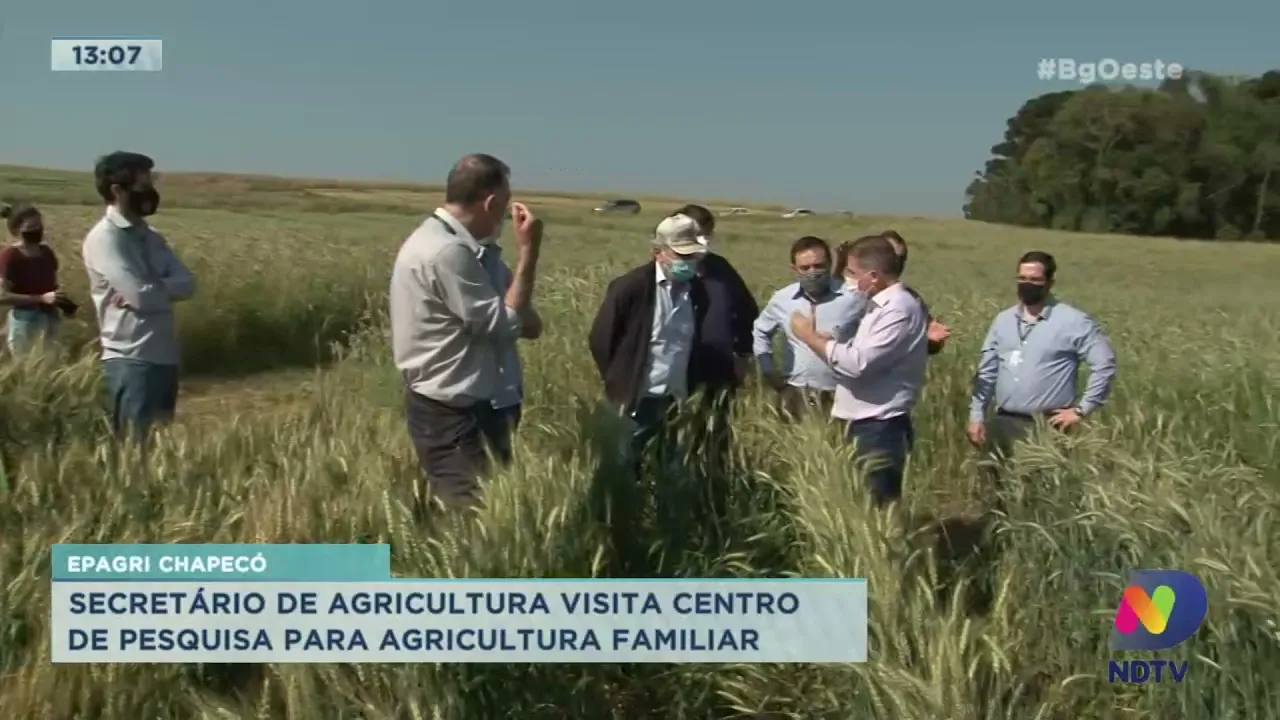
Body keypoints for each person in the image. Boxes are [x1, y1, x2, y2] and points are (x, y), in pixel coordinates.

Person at [390, 153, 543, 511]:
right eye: (504, 206)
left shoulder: (476, 252)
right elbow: (505, 324)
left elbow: (528, 323)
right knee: (471, 514)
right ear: (490, 202)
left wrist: (515, 315)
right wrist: (530, 251)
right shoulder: (446, 252)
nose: (506, 217)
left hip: (485, 405)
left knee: (491, 508)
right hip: (454, 413)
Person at [789, 235, 929, 506]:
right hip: (862, 422)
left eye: (852, 273)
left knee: (876, 508)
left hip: (879, 426)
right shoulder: (878, 306)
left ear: (873, 276)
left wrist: (810, 337)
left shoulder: (898, 309)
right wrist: (830, 340)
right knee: (857, 503)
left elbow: (857, 364)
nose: (847, 279)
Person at [82, 152, 196, 440]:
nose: (149, 193)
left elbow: (188, 284)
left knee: (158, 449)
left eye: (150, 183)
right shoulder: (105, 239)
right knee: (133, 452)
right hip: (130, 359)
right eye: (141, 185)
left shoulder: (152, 236)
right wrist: (155, 288)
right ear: (117, 190)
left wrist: (151, 286)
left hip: (165, 357)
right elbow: (140, 297)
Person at [966, 250, 1117, 466]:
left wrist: (1081, 410)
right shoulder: (1003, 320)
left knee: (1038, 492)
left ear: (1049, 282)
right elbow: (987, 371)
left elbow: (1104, 364)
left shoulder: (1074, 322)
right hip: (1002, 422)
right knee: (994, 490)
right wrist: (976, 416)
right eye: (1022, 278)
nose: (1027, 284)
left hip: (1047, 427)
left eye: (1035, 279)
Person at [752, 236, 868, 420]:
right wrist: (768, 370)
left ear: (830, 265)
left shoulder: (853, 298)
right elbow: (760, 331)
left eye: (819, 266)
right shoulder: (783, 299)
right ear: (794, 270)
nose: (813, 272)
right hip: (795, 392)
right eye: (805, 268)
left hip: (841, 394)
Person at [1, 204, 76, 354]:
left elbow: (50, 286)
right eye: (31, 227)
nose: (37, 230)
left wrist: (63, 303)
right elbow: (2, 296)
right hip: (25, 321)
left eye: (39, 225)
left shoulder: (46, 253)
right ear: (16, 230)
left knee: (51, 365)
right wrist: (40, 299)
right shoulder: (10, 256)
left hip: (50, 317)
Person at [878, 230, 950, 354]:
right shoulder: (856, 294)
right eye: (891, 257)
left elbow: (929, 346)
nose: (897, 264)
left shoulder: (913, 299)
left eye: (901, 258)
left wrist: (934, 341)